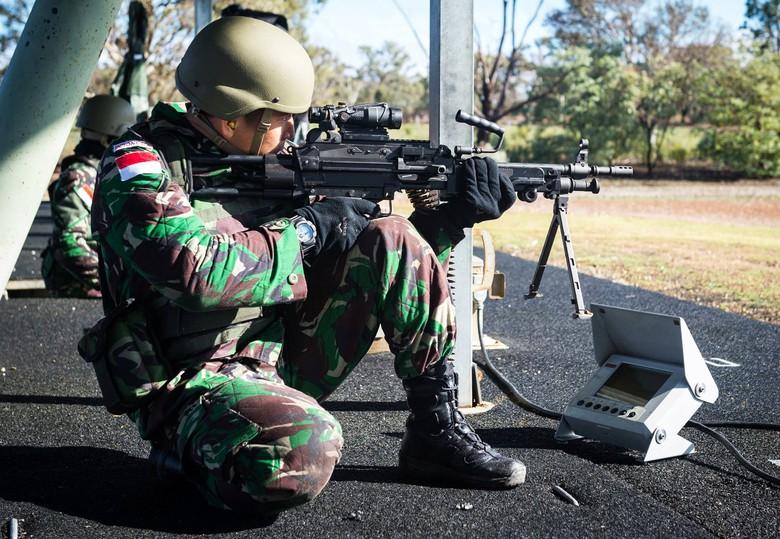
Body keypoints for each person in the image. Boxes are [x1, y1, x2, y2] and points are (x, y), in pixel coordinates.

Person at [89, 16, 524, 514]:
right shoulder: (140, 164)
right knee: (300, 453)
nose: (294, 129)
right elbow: (196, 274)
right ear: (232, 114)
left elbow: (384, 270)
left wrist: (449, 221)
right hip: (189, 383)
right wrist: (308, 228)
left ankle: (434, 430)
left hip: (278, 357)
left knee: (393, 234)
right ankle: (184, 453)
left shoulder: (286, 161)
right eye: (280, 117)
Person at [42, 94, 135, 298]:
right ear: (109, 138)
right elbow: (71, 243)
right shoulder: (78, 178)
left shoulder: (103, 171)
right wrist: (121, 285)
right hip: (78, 287)